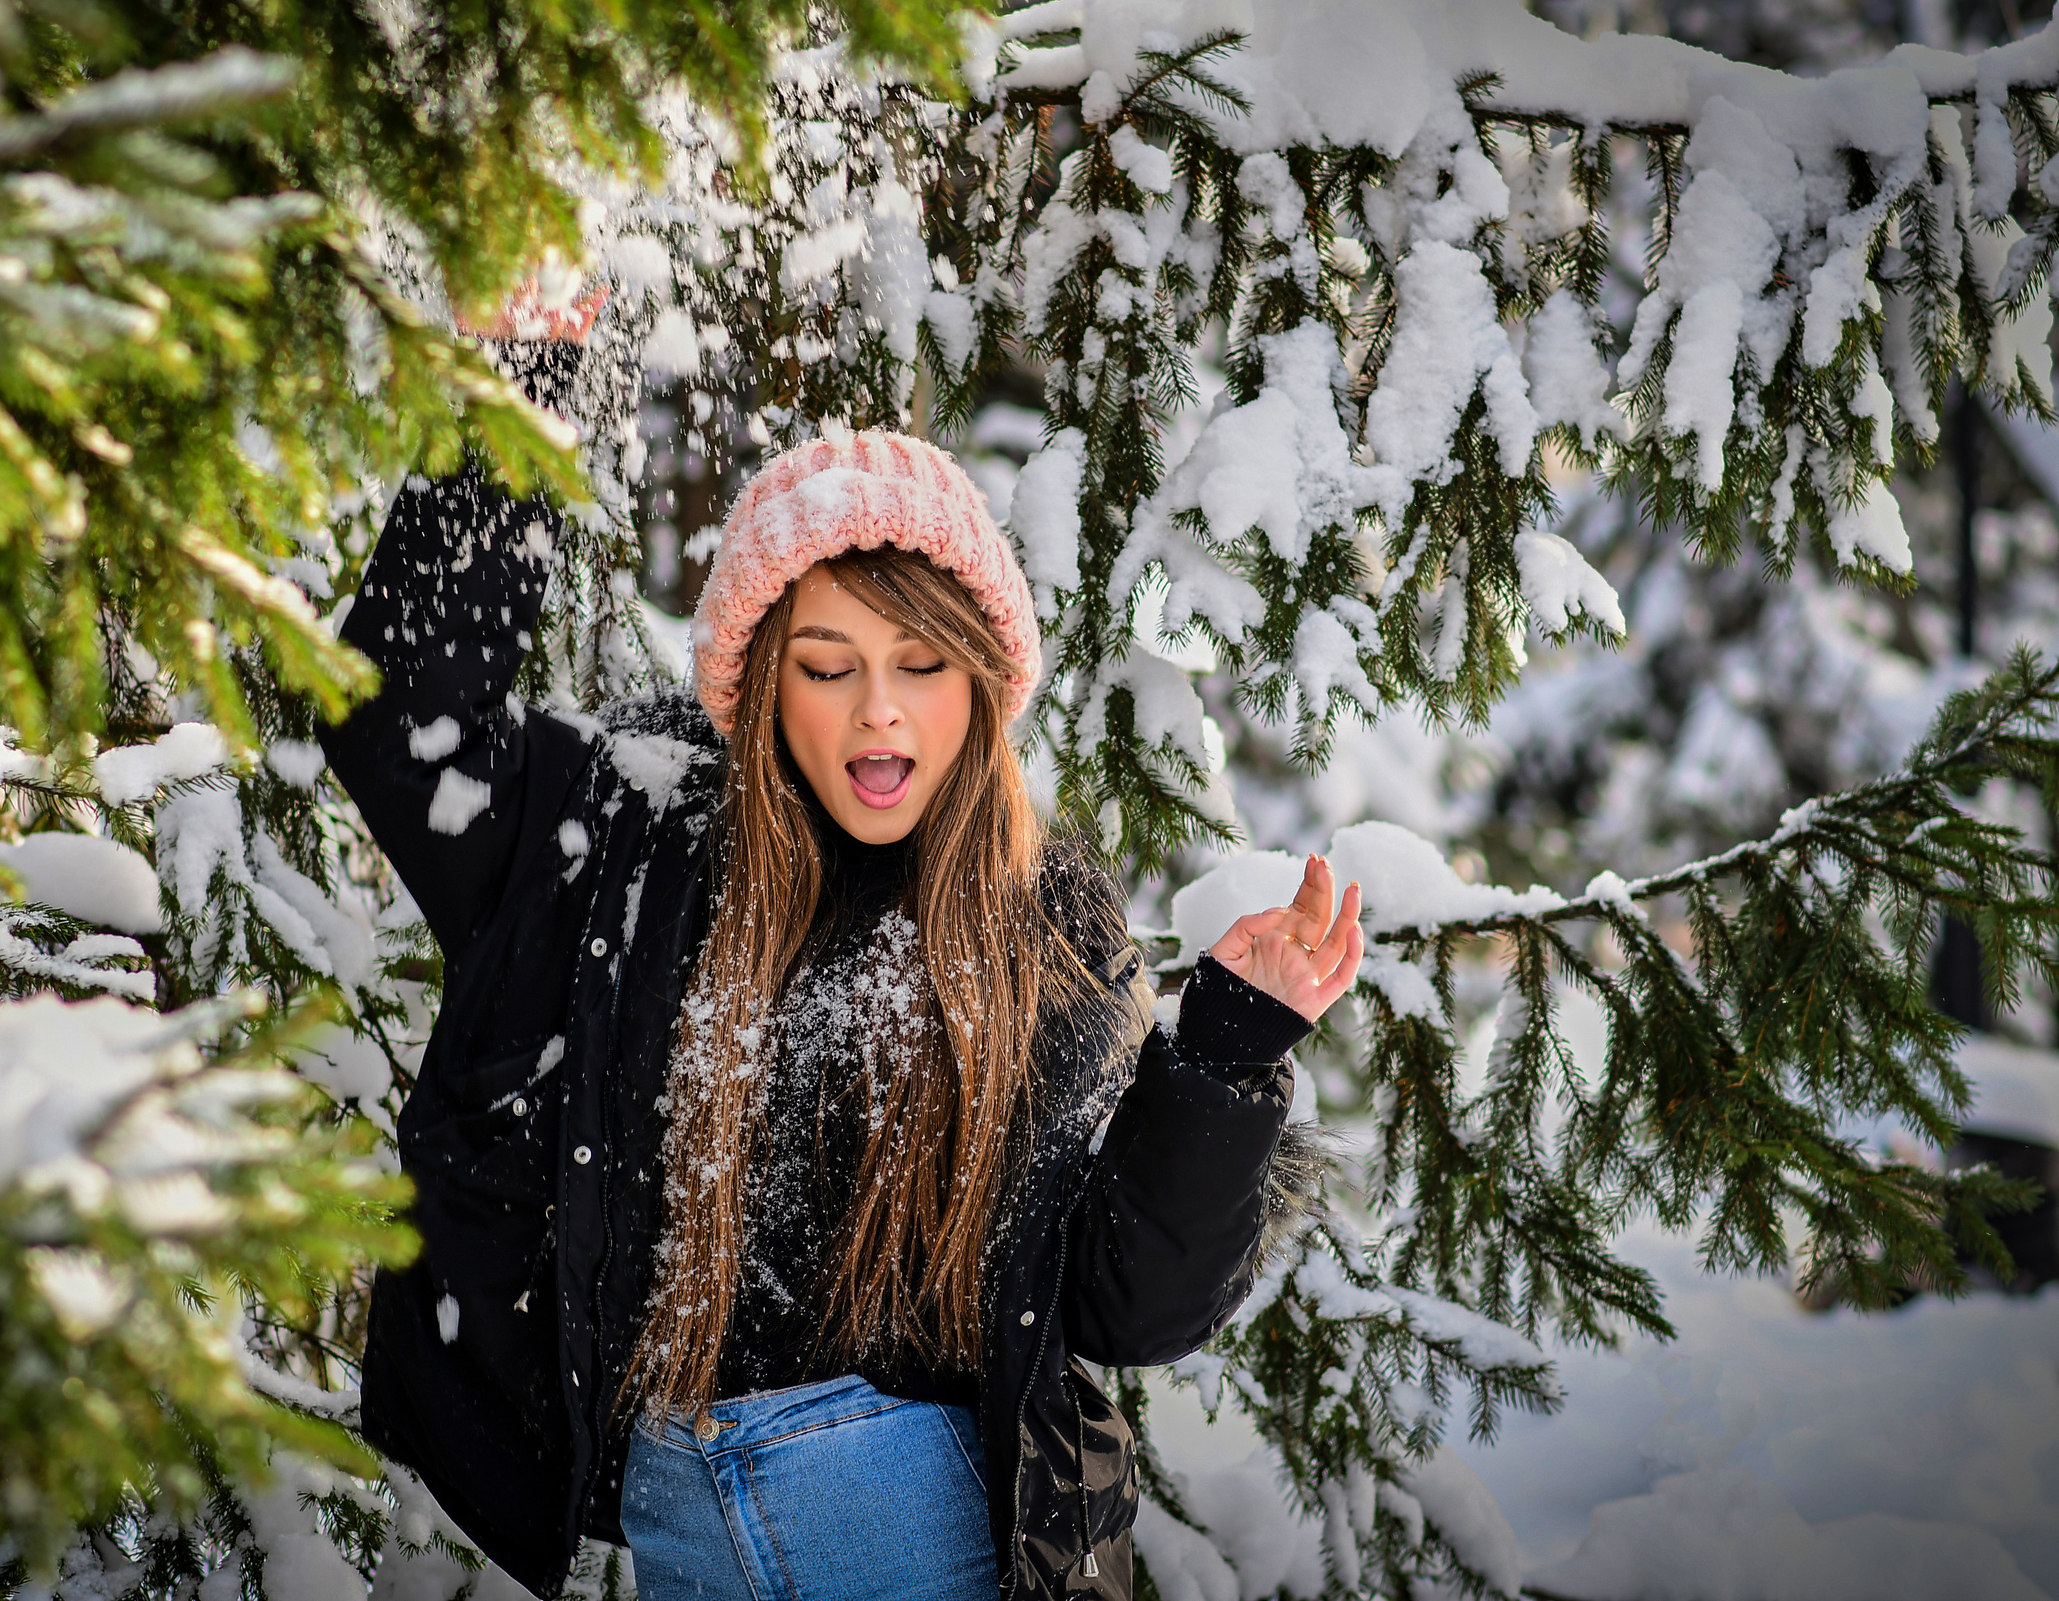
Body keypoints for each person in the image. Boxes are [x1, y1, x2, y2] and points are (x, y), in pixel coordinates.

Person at [320, 308, 1358, 1601]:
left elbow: (1125, 1312)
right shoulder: (627, 836)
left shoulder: (1039, 913)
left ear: (981, 683)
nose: (879, 707)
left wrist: (1224, 1057)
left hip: (922, 1534)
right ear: (762, 684)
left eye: (922, 662)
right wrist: (524, 373)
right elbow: (399, 710)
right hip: (687, 1532)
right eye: (828, 666)